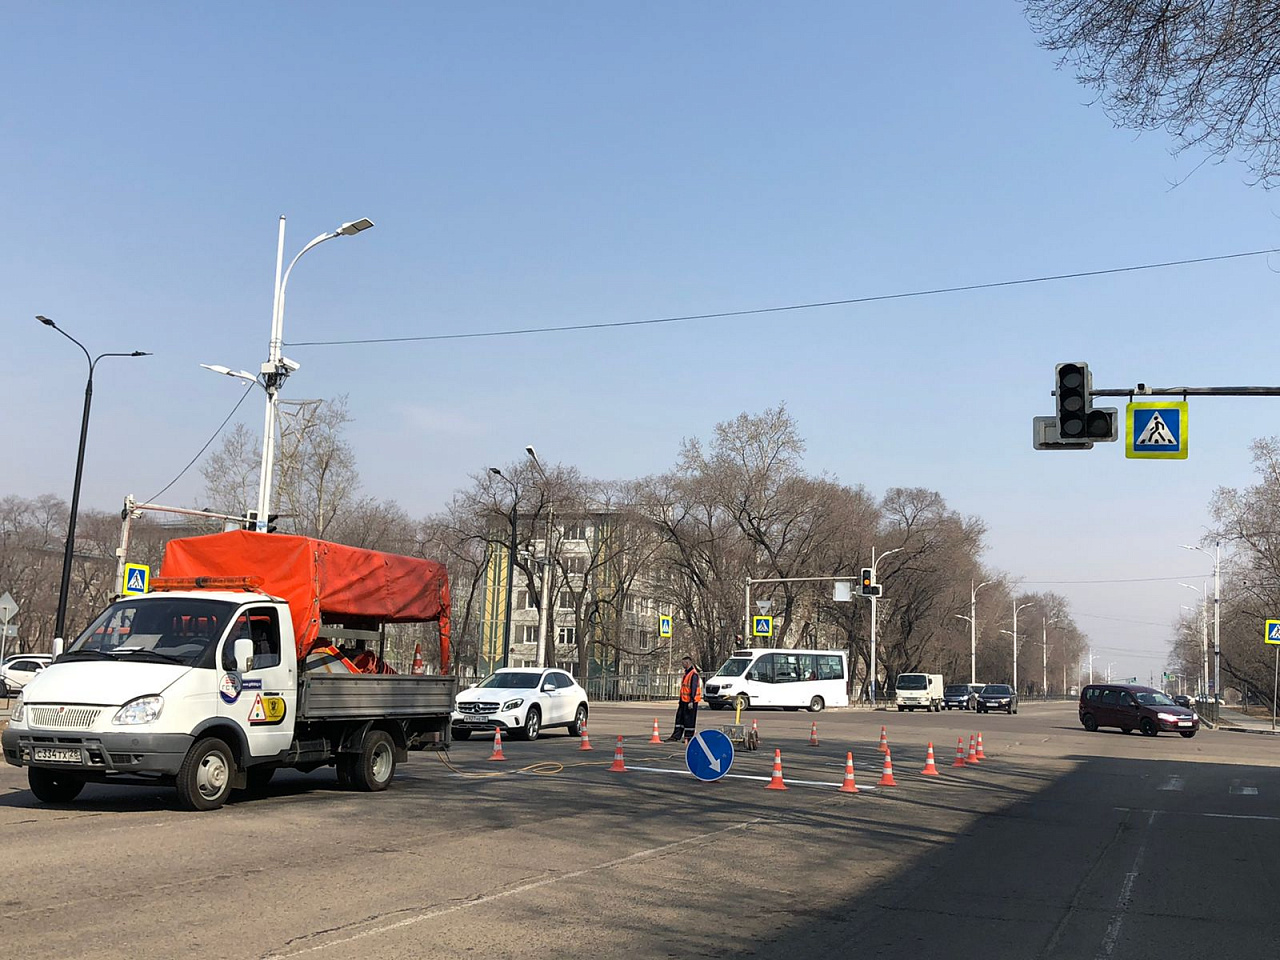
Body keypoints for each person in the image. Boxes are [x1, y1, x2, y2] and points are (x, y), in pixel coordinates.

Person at [666, 654, 702, 742]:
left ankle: (688, 737)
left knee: (689, 719)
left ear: (687, 663)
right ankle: (676, 735)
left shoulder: (693, 674)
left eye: (683, 663)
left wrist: (691, 700)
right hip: (683, 700)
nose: (682, 665)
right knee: (680, 718)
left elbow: (693, 688)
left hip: (690, 701)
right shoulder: (687, 673)